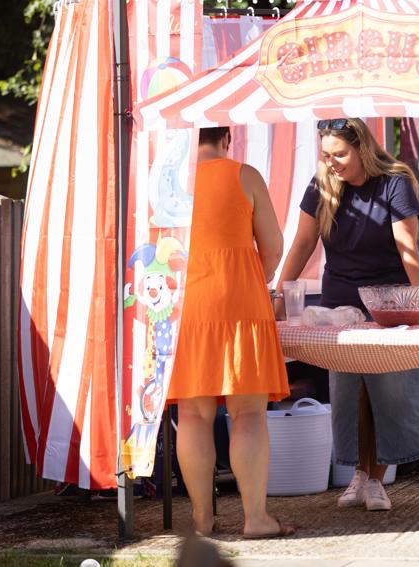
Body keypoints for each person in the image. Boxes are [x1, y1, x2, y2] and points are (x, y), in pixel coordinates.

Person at [276, 118, 419, 512]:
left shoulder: (395, 182)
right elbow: (302, 243)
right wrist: (279, 295)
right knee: (350, 392)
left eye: (339, 154)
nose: (331, 163)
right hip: (339, 304)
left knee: (389, 390)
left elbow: (408, 249)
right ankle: (359, 476)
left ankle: (376, 479)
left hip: (389, 303)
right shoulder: (322, 185)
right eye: (326, 155)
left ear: (362, 148)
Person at [167, 127, 295, 538]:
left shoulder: (169, 177)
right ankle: (255, 518)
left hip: (187, 305)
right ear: (227, 138)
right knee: (249, 414)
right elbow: (273, 247)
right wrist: (257, 274)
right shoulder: (245, 174)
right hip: (241, 302)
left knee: (192, 414)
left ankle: (202, 520)